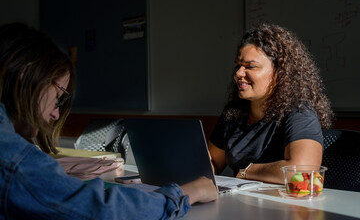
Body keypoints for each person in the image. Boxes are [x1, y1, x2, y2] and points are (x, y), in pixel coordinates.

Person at [0, 22, 217, 220]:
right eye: (58, 98)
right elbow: (100, 211)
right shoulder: (10, 155)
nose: (56, 115)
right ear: (26, 74)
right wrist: (189, 192)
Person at [208, 22, 334, 184]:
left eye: (250, 66)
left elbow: (303, 170)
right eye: (238, 66)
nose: (238, 73)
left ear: (280, 72)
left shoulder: (300, 112)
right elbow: (211, 163)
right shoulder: (234, 112)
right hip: (241, 201)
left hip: (284, 204)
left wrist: (247, 172)